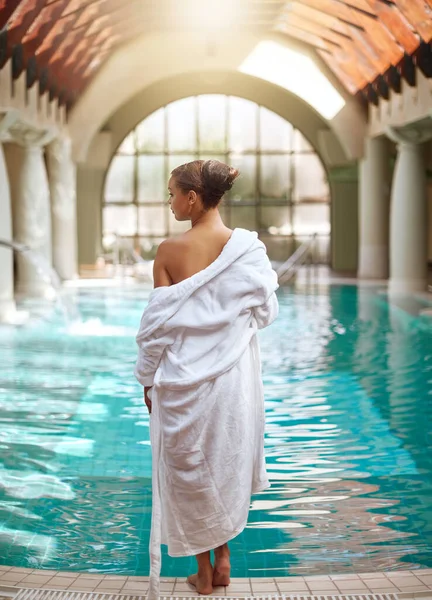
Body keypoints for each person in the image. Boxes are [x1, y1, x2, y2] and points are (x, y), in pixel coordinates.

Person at [134, 159, 279, 599]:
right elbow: (266, 313)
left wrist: (145, 380)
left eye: (173, 193)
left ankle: (202, 571)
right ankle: (225, 561)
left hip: (182, 384)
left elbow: (155, 332)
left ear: (192, 198)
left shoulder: (168, 252)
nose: (170, 201)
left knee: (191, 472)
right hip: (232, 383)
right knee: (223, 463)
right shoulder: (249, 251)